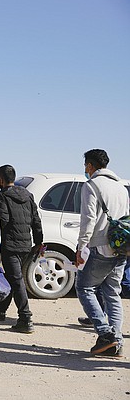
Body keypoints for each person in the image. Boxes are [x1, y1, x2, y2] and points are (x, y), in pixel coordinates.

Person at [74, 149, 129, 357]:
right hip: (121, 248)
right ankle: (117, 344)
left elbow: (87, 219)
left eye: (85, 166)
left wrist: (81, 247)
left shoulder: (91, 186)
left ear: (90, 166)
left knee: (84, 287)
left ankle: (106, 334)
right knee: (112, 293)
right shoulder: (121, 187)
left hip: (101, 247)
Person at [0, 164, 43, 333]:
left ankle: (25, 317)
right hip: (26, 245)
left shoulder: (1, 197)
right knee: (13, 277)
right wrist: (38, 242)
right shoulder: (28, 195)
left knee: (16, 279)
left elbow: (3, 221)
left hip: (10, 245)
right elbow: (36, 220)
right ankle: (0, 309)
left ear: (0, 179)